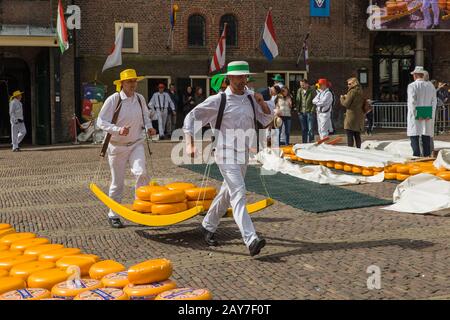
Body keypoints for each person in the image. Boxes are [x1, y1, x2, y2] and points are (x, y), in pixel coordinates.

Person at [183, 61, 274, 257]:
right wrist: (190, 142)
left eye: (244, 77)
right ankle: (251, 240)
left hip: (244, 153)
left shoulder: (251, 98)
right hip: (224, 152)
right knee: (239, 193)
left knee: (227, 192)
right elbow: (191, 116)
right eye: (238, 77)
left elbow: (267, 119)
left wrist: (262, 102)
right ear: (229, 78)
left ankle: (208, 225)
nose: (242, 80)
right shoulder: (219, 100)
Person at [97, 69, 157, 228]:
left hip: (136, 143)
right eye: (129, 81)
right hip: (117, 147)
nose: (133, 84)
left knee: (142, 173)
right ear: (122, 83)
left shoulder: (139, 99)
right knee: (118, 182)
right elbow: (100, 122)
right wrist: (118, 130)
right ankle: (113, 214)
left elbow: (145, 116)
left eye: (134, 81)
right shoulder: (113, 100)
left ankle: (141, 209)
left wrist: (149, 127)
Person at [407, 66, 437, 157]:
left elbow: (412, 102)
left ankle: (416, 155)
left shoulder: (412, 86)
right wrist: (430, 113)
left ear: (415, 75)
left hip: (416, 111)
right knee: (426, 134)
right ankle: (427, 155)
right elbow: (434, 101)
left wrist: (416, 113)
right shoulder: (430, 85)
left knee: (414, 134)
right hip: (427, 110)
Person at [340, 77, 365, 148]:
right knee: (357, 134)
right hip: (359, 115)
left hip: (351, 115)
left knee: (349, 133)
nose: (348, 85)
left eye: (349, 84)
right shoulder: (360, 91)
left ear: (354, 83)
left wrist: (342, 98)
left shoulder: (352, 91)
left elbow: (346, 104)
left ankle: (350, 150)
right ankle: (358, 149)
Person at [296, 79, 316, 143]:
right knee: (304, 128)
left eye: (303, 85)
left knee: (310, 128)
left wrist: (312, 111)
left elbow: (315, 101)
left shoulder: (312, 90)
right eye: (301, 85)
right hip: (301, 112)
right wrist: (298, 111)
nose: (302, 86)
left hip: (309, 112)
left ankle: (311, 141)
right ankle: (304, 142)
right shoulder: (299, 90)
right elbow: (297, 100)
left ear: (307, 84)